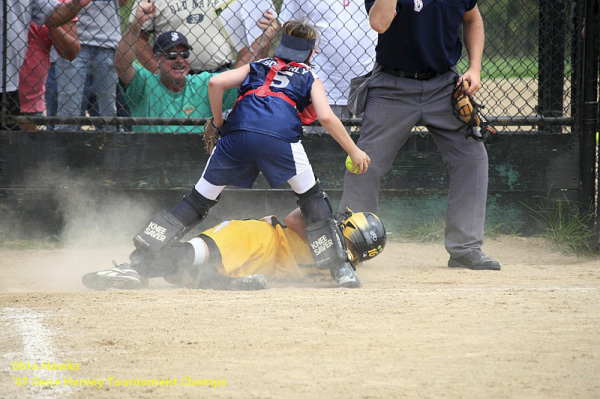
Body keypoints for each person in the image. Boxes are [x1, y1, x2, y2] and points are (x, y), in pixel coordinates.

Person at [129, 19, 371, 288]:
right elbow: (326, 116)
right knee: (312, 198)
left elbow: (216, 83)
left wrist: (218, 123)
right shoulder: (309, 75)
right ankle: (341, 270)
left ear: (282, 46)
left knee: (196, 202)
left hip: (236, 135)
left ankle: (138, 262)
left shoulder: (258, 65)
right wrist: (354, 149)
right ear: (311, 53)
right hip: (280, 137)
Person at [338, 0, 500, 271]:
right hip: (392, 85)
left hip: (444, 84)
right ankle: (350, 245)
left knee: (472, 157)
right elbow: (379, 22)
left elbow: (472, 18)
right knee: (364, 161)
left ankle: (465, 248)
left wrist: (475, 67)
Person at [81, 208, 387, 290]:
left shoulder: (338, 266)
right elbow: (296, 219)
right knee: (198, 256)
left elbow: (295, 217)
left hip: (262, 252)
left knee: (195, 260)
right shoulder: (335, 258)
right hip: (263, 250)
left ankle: (134, 270)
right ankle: (136, 271)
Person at [115, 2, 237, 133]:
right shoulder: (144, 84)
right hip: (151, 152)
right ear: (157, 60)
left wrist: (261, 43)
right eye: (172, 55)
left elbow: (242, 78)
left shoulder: (203, 84)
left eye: (184, 54)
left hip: (196, 152)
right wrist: (136, 25)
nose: (179, 60)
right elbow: (122, 63)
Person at [278, 0, 377, 132]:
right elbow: (290, 28)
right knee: (326, 148)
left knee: (374, 148)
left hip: (373, 80)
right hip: (324, 83)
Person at [0, 0, 90, 131]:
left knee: (13, 145)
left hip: (14, 87)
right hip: (17, 85)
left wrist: (75, 4)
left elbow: (54, 16)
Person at [128, 0, 279, 74]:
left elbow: (249, 40)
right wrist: (159, 72)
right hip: (172, 79)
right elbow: (139, 39)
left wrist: (233, 75)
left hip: (220, 75)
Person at [55, 0, 129, 131]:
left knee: (109, 109)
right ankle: (64, 148)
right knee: (68, 108)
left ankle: (111, 148)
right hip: (72, 41)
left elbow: (123, 2)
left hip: (107, 41)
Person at [19, 0, 80, 131]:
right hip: (6, 87)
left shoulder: (63, 4)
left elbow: (71, 51)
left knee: (24, 147)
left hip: (31, 99)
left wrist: (50, 20)